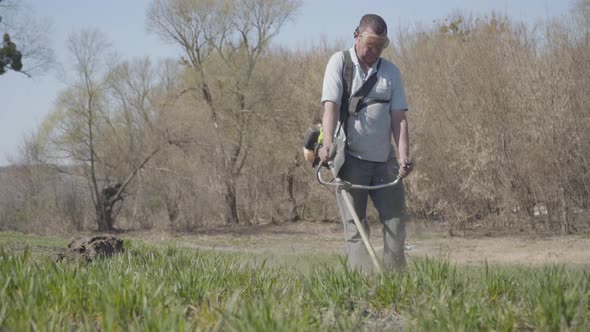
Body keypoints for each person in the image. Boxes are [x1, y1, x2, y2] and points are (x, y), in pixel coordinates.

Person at [319, 14, 413, 272]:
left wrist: (404, 156)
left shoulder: (391, 73)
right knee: (355, 226)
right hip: (350, 160)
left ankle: (394, 279)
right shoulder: (339, 63)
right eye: (370, 44)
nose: (374, 51)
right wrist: (327, 145)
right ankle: (363, 281)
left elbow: (399, 119)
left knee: (395, 222)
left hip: (384, 163)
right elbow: (331, 108)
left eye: (380, 46)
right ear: (356, 36)